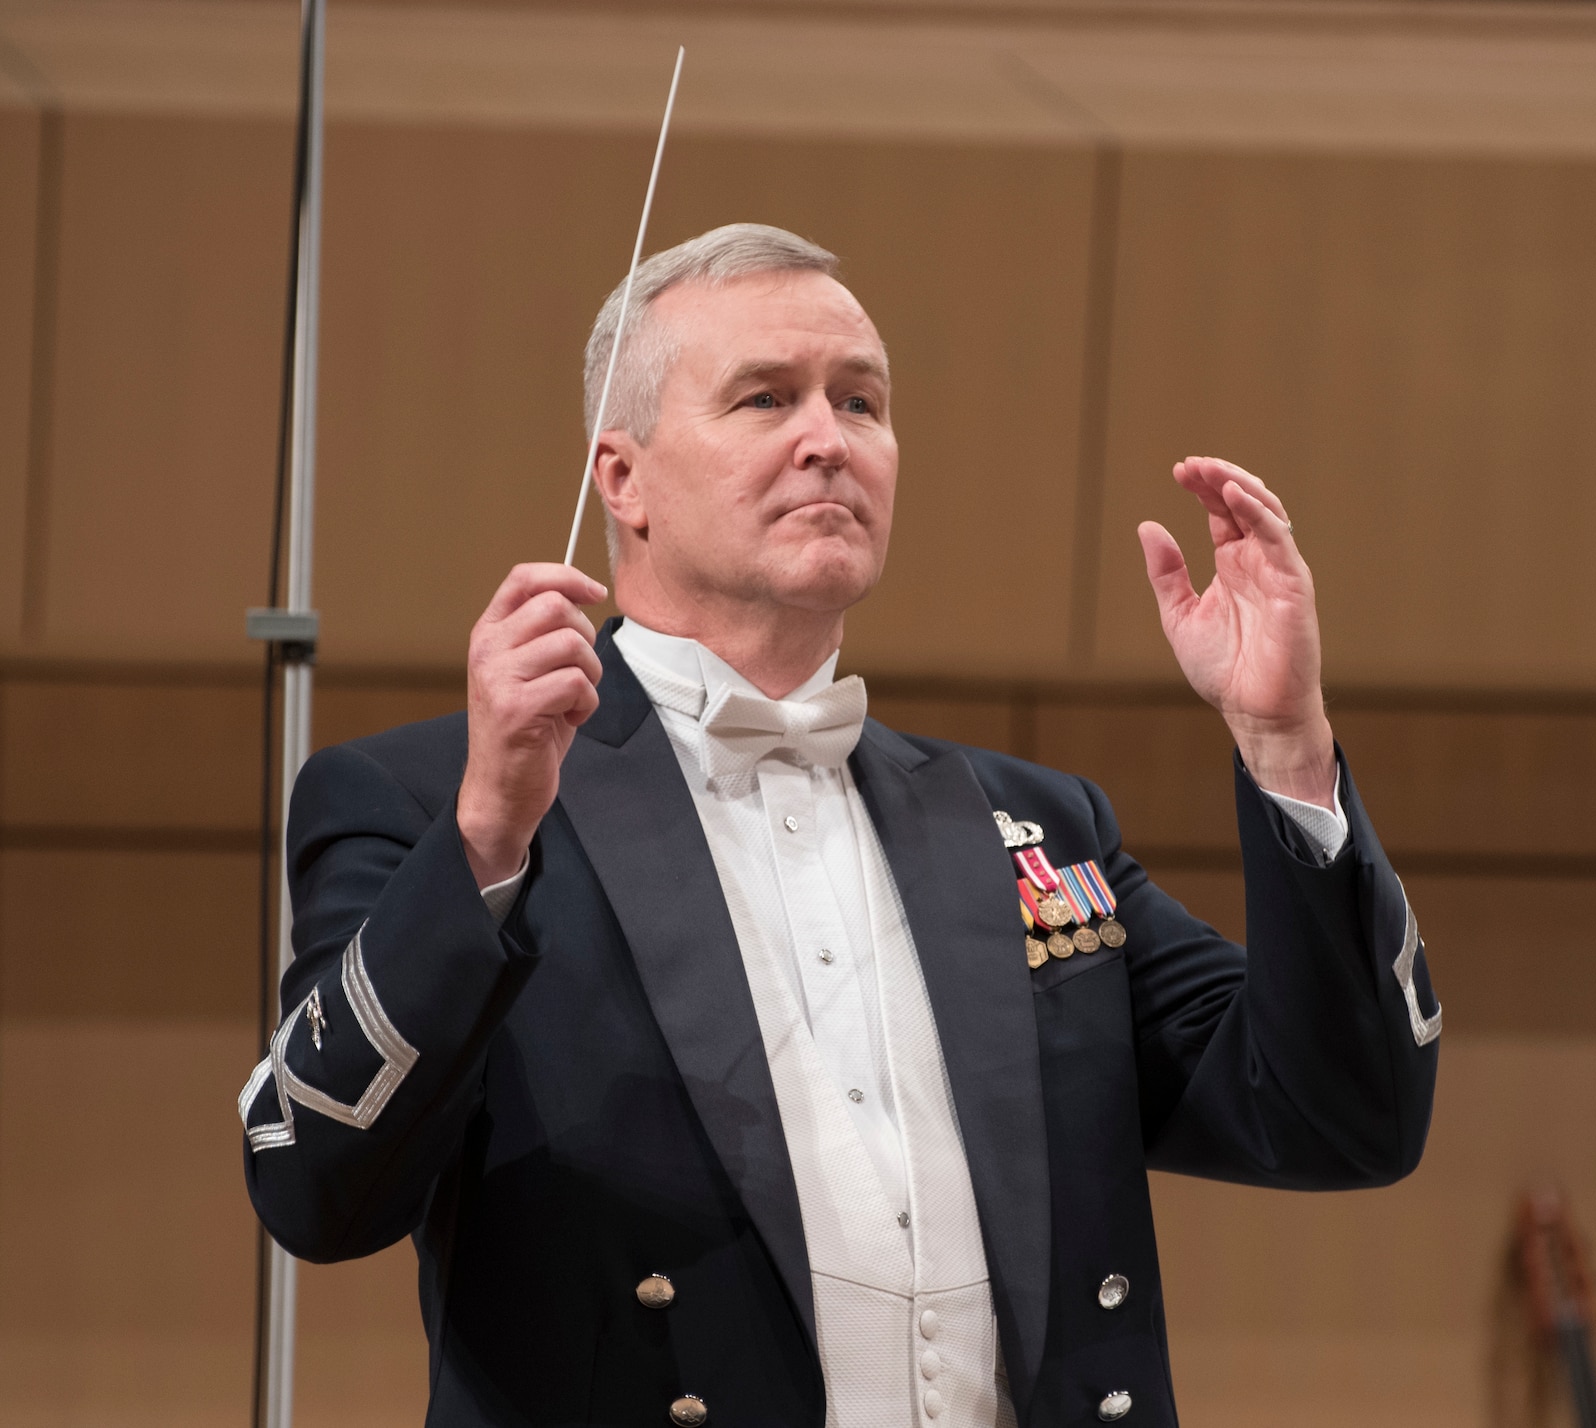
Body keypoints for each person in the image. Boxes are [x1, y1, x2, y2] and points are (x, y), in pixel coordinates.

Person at [240, 223, 1440, 1428]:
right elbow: (314, 1191)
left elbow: (1340, 1117)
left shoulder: (1028, 822)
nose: (828, 440)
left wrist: (1285, 743)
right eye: (765, 399)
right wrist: (488, 839)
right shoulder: (434, 804)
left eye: (860, 402)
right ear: (622, 478)